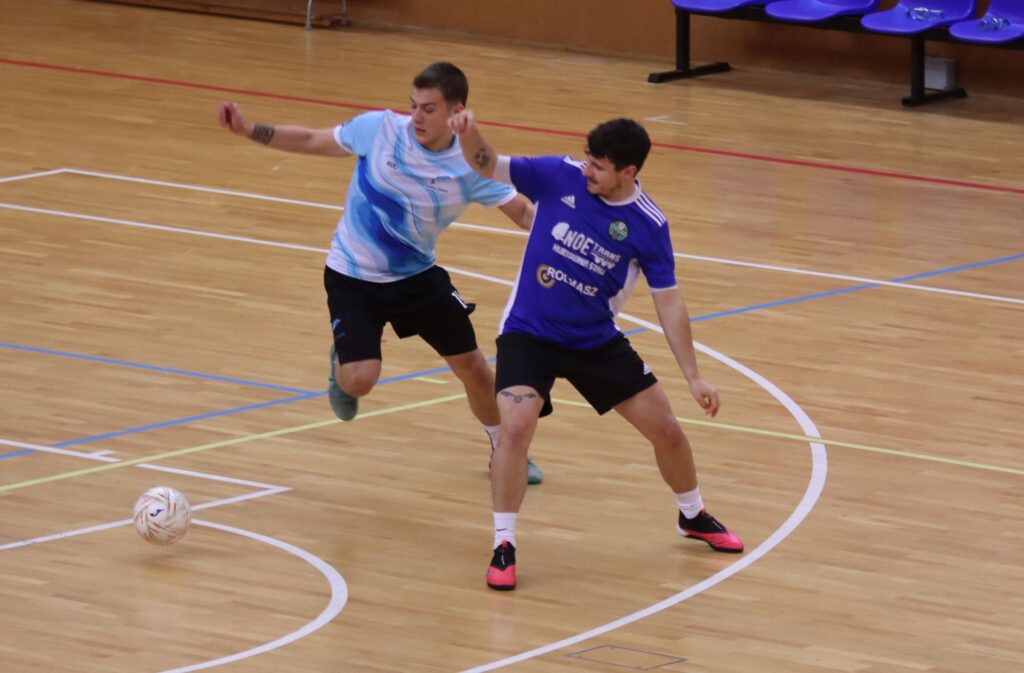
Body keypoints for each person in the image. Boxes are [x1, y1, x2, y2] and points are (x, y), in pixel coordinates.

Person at [449, 111, 744, 591]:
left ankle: (692, 514)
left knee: (668, 432)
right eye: (588, 160)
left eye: (600, 167)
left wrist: (694, 376)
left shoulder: (648, 224)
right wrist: (468, 134)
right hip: (529, 332)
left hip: (594, 340)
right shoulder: (557, 174)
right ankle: (504, 544)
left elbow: (668, 301)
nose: (588, 171)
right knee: (515, 429)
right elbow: (487, 163)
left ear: (629, 172)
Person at [217, 62, 543, 484]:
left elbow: (523, 212)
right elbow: (314, 139)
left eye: (429, 109)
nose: (416, 117)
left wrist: (570, 234)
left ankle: (506, 450)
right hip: (352, 275)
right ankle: (342, 361)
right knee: (359, 381)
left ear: (456, 112)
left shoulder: (470, 166)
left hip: (416, 277)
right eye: (413, 106)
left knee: (474, 367)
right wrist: (249, 130)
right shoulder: (380, 130)